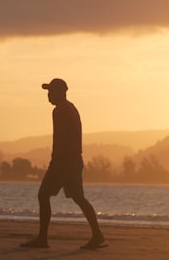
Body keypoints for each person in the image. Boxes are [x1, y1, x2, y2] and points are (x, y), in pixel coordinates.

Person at [21, 78, 106, 249]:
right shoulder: (70, 109)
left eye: (51, 92)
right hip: (73, 160)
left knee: (44, 195)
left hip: (64, 161)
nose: (48, 95)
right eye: (48, 92)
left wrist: (56, 162)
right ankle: (97, 235)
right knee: (78, 198)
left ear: (61, 92)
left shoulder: (61, 111)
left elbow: (61, 139)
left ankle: (42, 239)